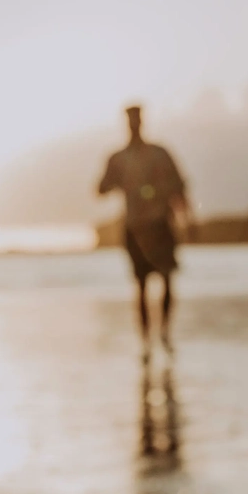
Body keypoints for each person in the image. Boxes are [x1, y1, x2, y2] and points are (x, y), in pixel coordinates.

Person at [98, 105, 193, 353]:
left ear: (142, 121)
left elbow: (180, 186)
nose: (134, 124)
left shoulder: (160, 154)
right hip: (135, 227)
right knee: (140, 285)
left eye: (137, 120)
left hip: (160, 224)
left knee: (167, 279)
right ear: (126, 123)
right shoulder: (118, 158)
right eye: (131, 120)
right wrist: (115, 182)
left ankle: (164, 332)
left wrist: (189, 219)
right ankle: (146, 340)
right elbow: (100, 188)